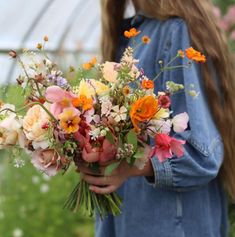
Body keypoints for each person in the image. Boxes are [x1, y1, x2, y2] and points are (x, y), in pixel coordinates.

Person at [78, 0, 235, 236]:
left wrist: (132, 166)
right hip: (132, 218)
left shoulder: (174, 30)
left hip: (171, 224)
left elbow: (203, 154)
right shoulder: (132, 34)